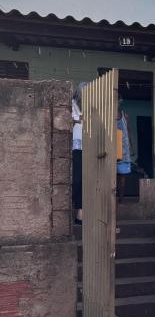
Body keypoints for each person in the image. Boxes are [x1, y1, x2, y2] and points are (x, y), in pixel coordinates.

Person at [71, 83, 87, 224]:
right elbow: (71, 120)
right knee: (76, 180)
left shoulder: (90, 106)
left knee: (84, 181)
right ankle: (75, 209)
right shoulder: (72, 104)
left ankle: (80, 214)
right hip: (75, 146)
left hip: (89, 146)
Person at [116, 103, 132, 202]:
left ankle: (121, 198)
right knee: (112, 176)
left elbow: (128, 130)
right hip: (112, 149)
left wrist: (132, 147)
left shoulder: (125, 116)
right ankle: (113, 199)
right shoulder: (107, 115)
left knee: (122, 177)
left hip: (123, 150)